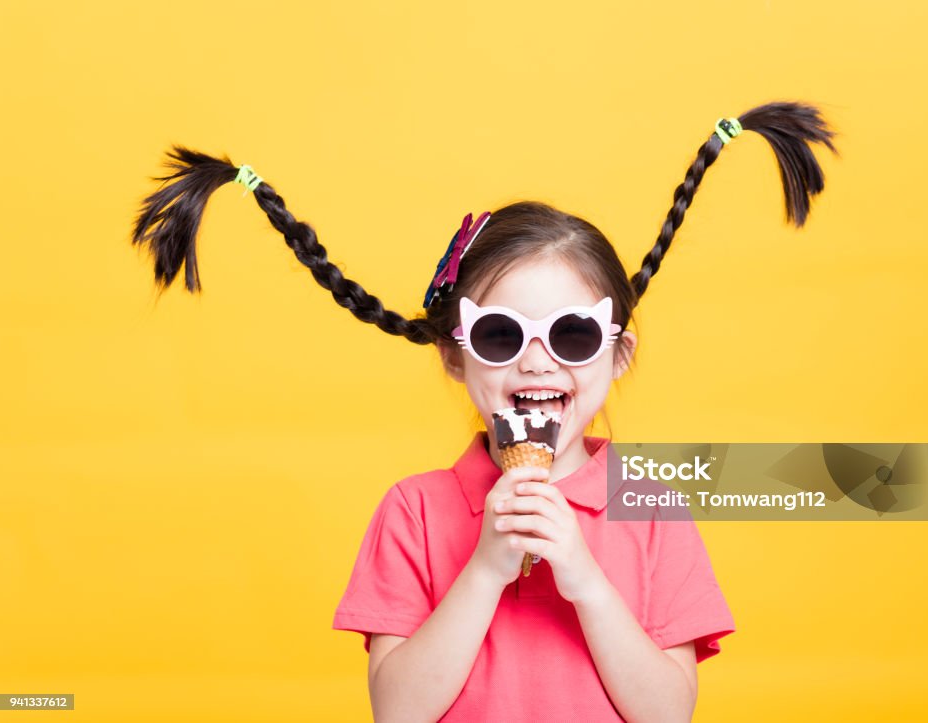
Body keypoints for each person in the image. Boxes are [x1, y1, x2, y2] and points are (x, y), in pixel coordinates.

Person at [130, 101, 837, 722]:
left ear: (617, 355)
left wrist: (586, 580)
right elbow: (398, 710)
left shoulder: (650, 505)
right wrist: (487, 567)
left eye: (572, 334)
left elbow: (668, 711)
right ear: (455, 355)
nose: (537, 363)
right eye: (502, 335)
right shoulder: (413, 511)